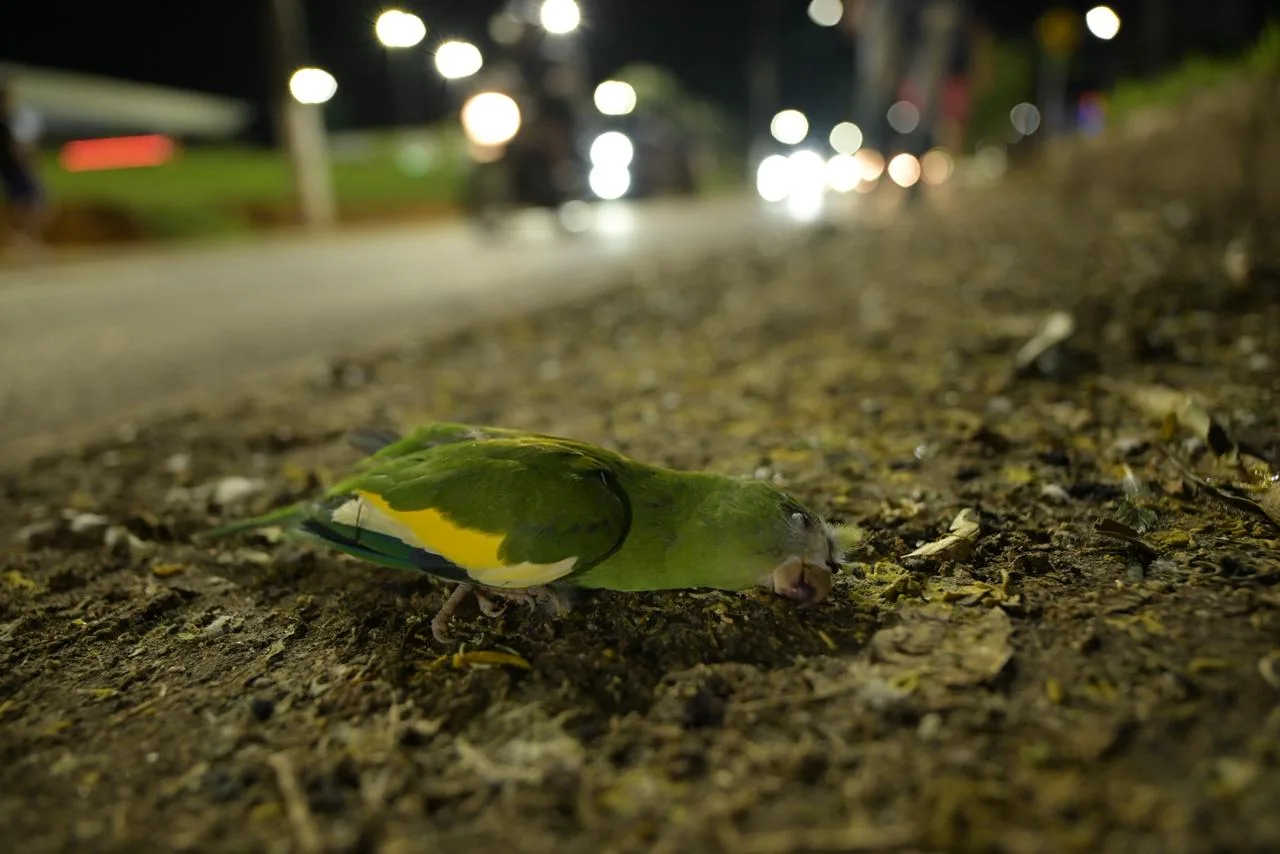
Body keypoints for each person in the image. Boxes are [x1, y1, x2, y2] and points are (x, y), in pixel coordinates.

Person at [0, 84, 47, 256]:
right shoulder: (5, 124)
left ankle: (22, 241)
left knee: (23, 206)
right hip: (16, 171)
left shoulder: (8, 122)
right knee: (35, 205)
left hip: (12, 171)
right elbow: (16, 149)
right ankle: (22, 242)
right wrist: (29, 159)